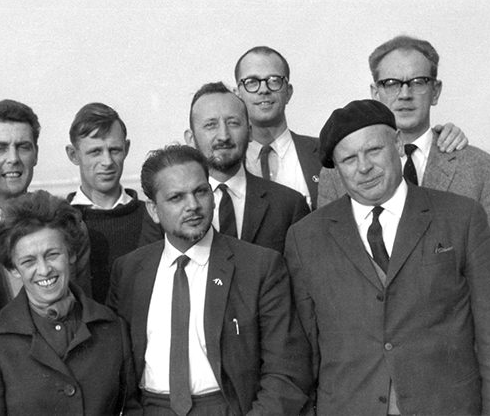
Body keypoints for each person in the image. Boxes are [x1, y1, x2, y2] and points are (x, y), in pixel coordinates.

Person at [286, 99, 490, 415]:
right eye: (348, 159)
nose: (364, 167)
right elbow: (304, 353)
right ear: (336, 168)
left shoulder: (460, 217)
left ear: (398, 143)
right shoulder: (306, 238)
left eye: (373, 151)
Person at [317, 35, 490, 305]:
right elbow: (327, 274)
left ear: (435, 91)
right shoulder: (338, 175)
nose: (404, 94)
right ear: (374, 92)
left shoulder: (479, 169)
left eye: (418, 82)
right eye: (391, 83)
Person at [107, 145, 312, 415]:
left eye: (200, 191)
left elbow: (286, 371)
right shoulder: (129, 271)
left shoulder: (259, 266)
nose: (192, 206)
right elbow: (115, 366)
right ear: (154, 210)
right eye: (176, 198)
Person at [0, 191, 139, 415]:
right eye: (28, 261)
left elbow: (132, 409)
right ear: (13, 269)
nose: (44, 270)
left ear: (71, 254)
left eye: (52, 254)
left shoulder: (113, 329)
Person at [234, 45, 468, 210]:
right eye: (252, 82)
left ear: (289, 91)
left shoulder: (332, 156)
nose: (264, 89)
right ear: (237, 93)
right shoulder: (220, 161)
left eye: (274, 80)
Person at [0, 99, 91, 309]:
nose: (13, 158)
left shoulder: (67, 224)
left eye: (23, 147)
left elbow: (82, 308)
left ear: (36, 154)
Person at [184, 81, 309, 254]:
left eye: (233, 123)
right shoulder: (173, 209)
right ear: (190, 139)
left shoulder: (289, 205)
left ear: (250, 132)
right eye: (211, 125)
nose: (223, 136)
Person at [65, 102, 162, 304]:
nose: (107, 162)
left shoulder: (154, 217)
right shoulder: (60, 222)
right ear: (73, 155)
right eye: (95, 152)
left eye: (114, 150)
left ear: (126, 149)